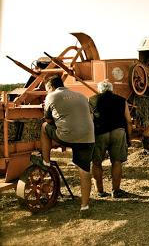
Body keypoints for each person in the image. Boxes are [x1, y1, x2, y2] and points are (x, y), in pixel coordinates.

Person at [41, 75, 94, 217]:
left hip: (68, 135)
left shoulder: (51, 96)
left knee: (44, 126)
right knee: (84, 170)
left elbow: (48, 119)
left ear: (51, 87)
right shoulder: (81, 95)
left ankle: (45, 162)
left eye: (46, 89)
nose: (47, 92)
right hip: (88, 137)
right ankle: (84, 206)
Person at [89, 80, 133, 198]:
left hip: (100, 133)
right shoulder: (121, 100)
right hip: (118, 132)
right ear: (111, 89)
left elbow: (90, 120)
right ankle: (116, 190)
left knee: (97, 163)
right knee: (117, 162)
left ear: (99, 90)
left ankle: (100, 191)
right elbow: (129, 120)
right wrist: (129, 137)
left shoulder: (92, 100)